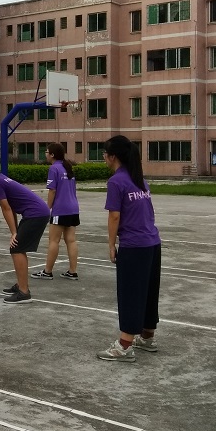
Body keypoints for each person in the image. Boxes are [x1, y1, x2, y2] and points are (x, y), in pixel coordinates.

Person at [97, 135, 161, 363]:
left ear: (113, 156)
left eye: (105, 154)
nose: (104, 157)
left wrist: (111, 244)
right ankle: (147, 336)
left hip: (134, 246)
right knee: (149, 291)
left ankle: (124, 346)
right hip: (152, 243)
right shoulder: (139, 178)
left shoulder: (116, 181)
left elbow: (114, 216)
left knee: (130, 293)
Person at [0, 153, 49, 304]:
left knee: (16, 248)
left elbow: (6, 209)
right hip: (36, 212)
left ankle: (24, 292)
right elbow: (11, 207)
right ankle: (21, 285)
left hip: (36, 214)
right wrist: (14, 231)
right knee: (18, 247)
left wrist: (14, 233)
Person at [32, 143, 80, 281]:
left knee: (54, 240)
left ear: (52, 155)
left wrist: (47, 208)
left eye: (46, 152)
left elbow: (52, 190)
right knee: (71, 240)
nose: (45, 154)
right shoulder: (67, 166)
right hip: (73, 208)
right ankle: (73, 271)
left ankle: (47, 272)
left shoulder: (54, 168)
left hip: (60, 209)